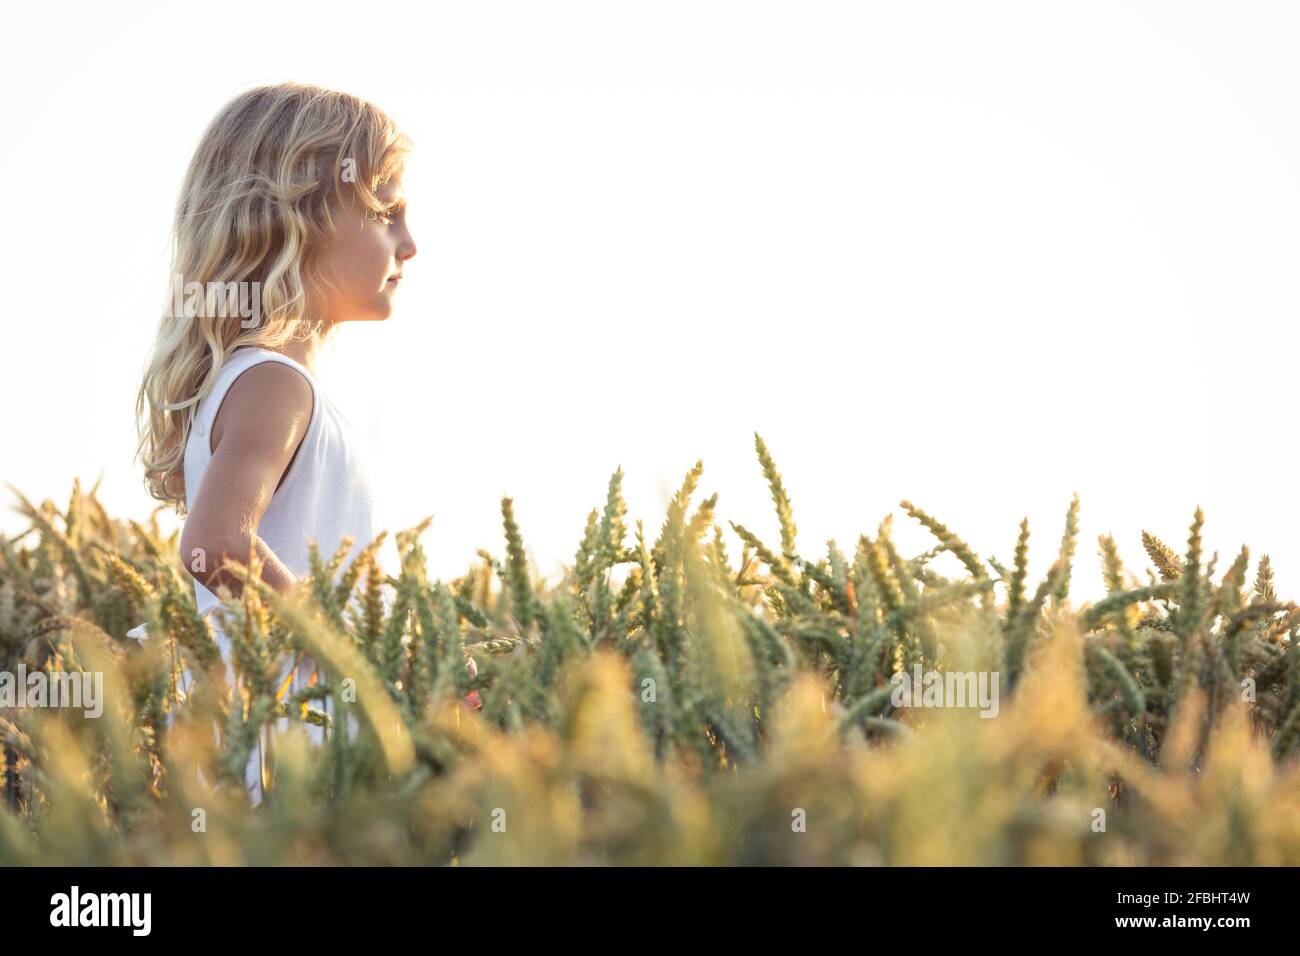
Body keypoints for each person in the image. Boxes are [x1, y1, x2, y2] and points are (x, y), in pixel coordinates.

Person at [133, 82, 476, 804]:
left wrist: (409, 667)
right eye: (385, 215)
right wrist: (354, 653)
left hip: (300, 746)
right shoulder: (275, 386)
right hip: (283, 759)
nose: (410, 244)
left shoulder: (274, 386)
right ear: (296, 218)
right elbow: (215, 544)